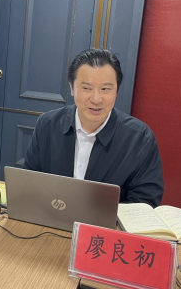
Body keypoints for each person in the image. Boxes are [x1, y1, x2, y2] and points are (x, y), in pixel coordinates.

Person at [23, 49, 164, 207]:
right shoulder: (47, 124)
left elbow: (145, 202)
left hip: (108, 223)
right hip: (50, 217)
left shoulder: (140, 139)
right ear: (72, 88)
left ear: (117, 91)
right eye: (86, 88)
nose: (96, 99)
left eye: (105, 89)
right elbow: (30, 181)